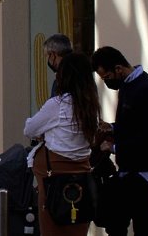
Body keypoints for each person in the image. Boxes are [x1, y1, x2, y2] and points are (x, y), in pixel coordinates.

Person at [92, 46, 148, 236]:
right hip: (131, 169)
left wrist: (114, 147)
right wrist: (113, 127)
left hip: (142, 170)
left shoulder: (146, 90)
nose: (107, 82)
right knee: (118, 220)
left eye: (106, 77)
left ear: (118, 69)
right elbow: (133, 123)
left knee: (141, 223)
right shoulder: (129, 86)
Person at [25, 53, 100, 235]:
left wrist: (46, 133)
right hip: (81, 174)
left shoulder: (57, 105)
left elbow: (30, 129)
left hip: (53, 176)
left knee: (52, 226)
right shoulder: (91, 106)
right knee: (77, 226)